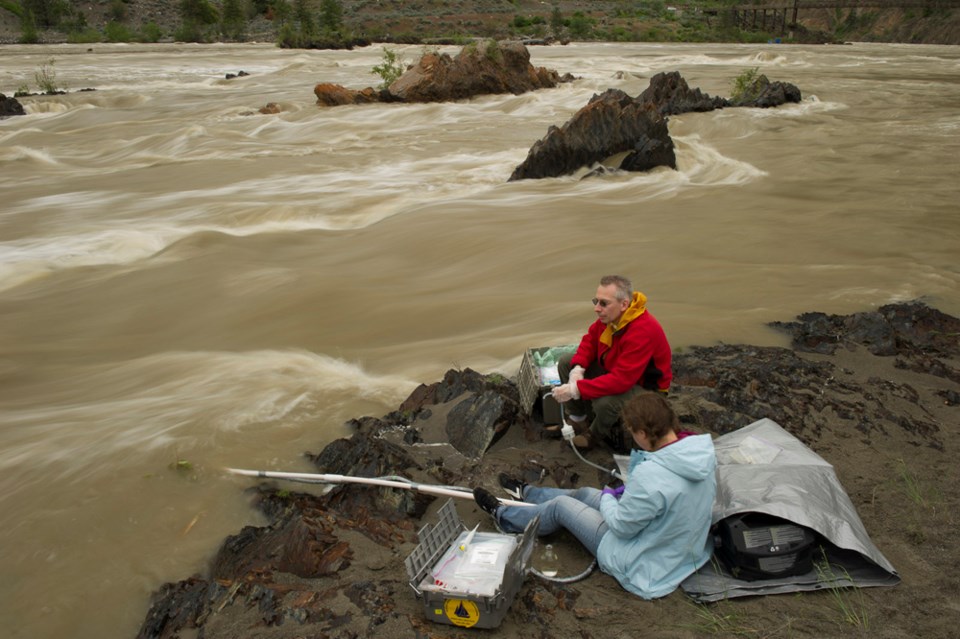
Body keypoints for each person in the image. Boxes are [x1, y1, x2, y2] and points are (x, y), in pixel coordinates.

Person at [473, 392, 716, 600]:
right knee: (587, 493)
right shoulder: (696, 453)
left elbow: (621, 527)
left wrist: (610, 497)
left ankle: (504, 516)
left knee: (561, 506)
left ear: (643, 433)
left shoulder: (651, 474)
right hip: (678, 548)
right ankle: (528, 493)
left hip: (642, 562)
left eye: (632, 432)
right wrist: (616, 497)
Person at [550, 274, 672, 451]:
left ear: (624, 304)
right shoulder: (612, 318)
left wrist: (576, 389)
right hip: (618, 373)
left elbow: (622, 380)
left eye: (604, 303)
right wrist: (578, 369)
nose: (597, 309)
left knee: (605, 403)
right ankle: (578, 419)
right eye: (596, 301)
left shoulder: (642, 330)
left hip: (647, 388)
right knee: (566, 362)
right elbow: (590, 341)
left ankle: (594, 435)